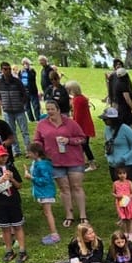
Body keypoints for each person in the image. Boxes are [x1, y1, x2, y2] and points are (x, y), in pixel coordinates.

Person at [32, 98, 88, 228]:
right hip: (55, 161)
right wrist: (40, 150)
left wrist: (69, 141)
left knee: (77, 187)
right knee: (64, 188)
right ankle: (69, 215)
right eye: (48, 109)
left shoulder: (71, 123)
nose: (50, 112)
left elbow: (82, 138)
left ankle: (83, 215)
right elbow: (37, 140)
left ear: (58, 110)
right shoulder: (42, 124)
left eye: (52, 109)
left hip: (74, 160)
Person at [0, 143, 27, 263]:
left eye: (5, 156)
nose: (3, 158)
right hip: (0, 203)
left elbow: (19, 185)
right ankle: (9, 250)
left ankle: (23, 250)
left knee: (18, 226)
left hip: (13, 202)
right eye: (0, 156)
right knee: (5, 228)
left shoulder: (11, 167)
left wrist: (12, 179)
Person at [27, 142, 60, 244]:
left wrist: (31, 177)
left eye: (29, 153)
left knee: (48, 213)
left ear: (36, 153)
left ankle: (54, 235)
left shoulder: (42, 165)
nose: (28, 155)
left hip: (46, 192)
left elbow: (45, 180)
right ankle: (53, 233)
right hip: (42, 192)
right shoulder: (38, 163)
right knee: (46, 213)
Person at [0, 61, 31, 153]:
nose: (8, 71)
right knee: (11, 132)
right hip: (7, 110)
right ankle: (16, 150)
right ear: (1, 70)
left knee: (24, 131)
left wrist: (21, 103)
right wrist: (1, 102)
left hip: (19, 110)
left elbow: (24, 93)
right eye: (5, 69)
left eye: (9, 69)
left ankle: (28, 150)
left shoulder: (17, 81)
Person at [66, 80, 98, 170]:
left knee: (84, 145)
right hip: (85, 125)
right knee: (83, 145)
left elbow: (78, 116)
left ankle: (92, 164)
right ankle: (82, 161)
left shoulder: (77, 100)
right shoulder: (81, 98)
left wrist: (74, 127)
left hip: (83, 126)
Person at [112, 166, 132, 236]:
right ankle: (125, 232)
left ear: (126, 174)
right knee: (123, 218)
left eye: (124, 173)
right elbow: (113, 192)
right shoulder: (115, 183)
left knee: (131, 218)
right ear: (117, 174)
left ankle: (131, 233)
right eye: (120, 173)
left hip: (129, 202)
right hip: (120, 202)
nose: (122, 175)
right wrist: (117, 196)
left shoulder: (129, 182)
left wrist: (128, 197)